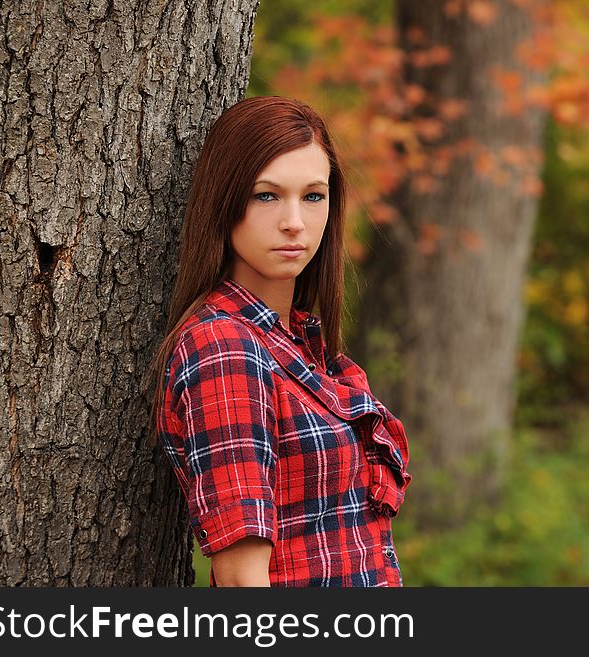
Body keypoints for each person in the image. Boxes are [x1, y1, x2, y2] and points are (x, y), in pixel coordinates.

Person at [151, 96, 412, 587]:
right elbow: (240, 580)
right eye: (266, 196)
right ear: (224, 202)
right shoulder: (224, 348)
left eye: (313, 196)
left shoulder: (300, 346)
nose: (295, 221)